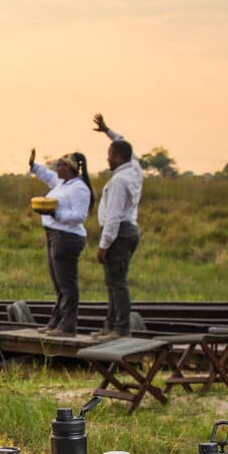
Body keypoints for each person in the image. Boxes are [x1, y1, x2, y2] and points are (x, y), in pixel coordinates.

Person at [28, 148, 92, 336]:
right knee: (58, 283)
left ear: (69, 168)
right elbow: (47, 176)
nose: (56, 168)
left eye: (60, 165)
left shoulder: (79, 188)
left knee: (67, 283)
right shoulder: (62, 183)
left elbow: (80, 216)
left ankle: (68, 325)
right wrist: (33, 166)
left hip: (67, 237)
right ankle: (56, 322)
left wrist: (55, 213)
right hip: (54, 234)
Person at [92, 113, 144, 338]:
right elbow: (122, 139)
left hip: (118, 233)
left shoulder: (119, 182)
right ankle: (110, 326)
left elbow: (113, 217)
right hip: (129, 230)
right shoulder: (134, 168)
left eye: (110, 156)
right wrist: (107, 131)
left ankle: (120, 328)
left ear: (120, 158)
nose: (107, 159)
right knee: (113, 281)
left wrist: (104, 245)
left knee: (116, 283)